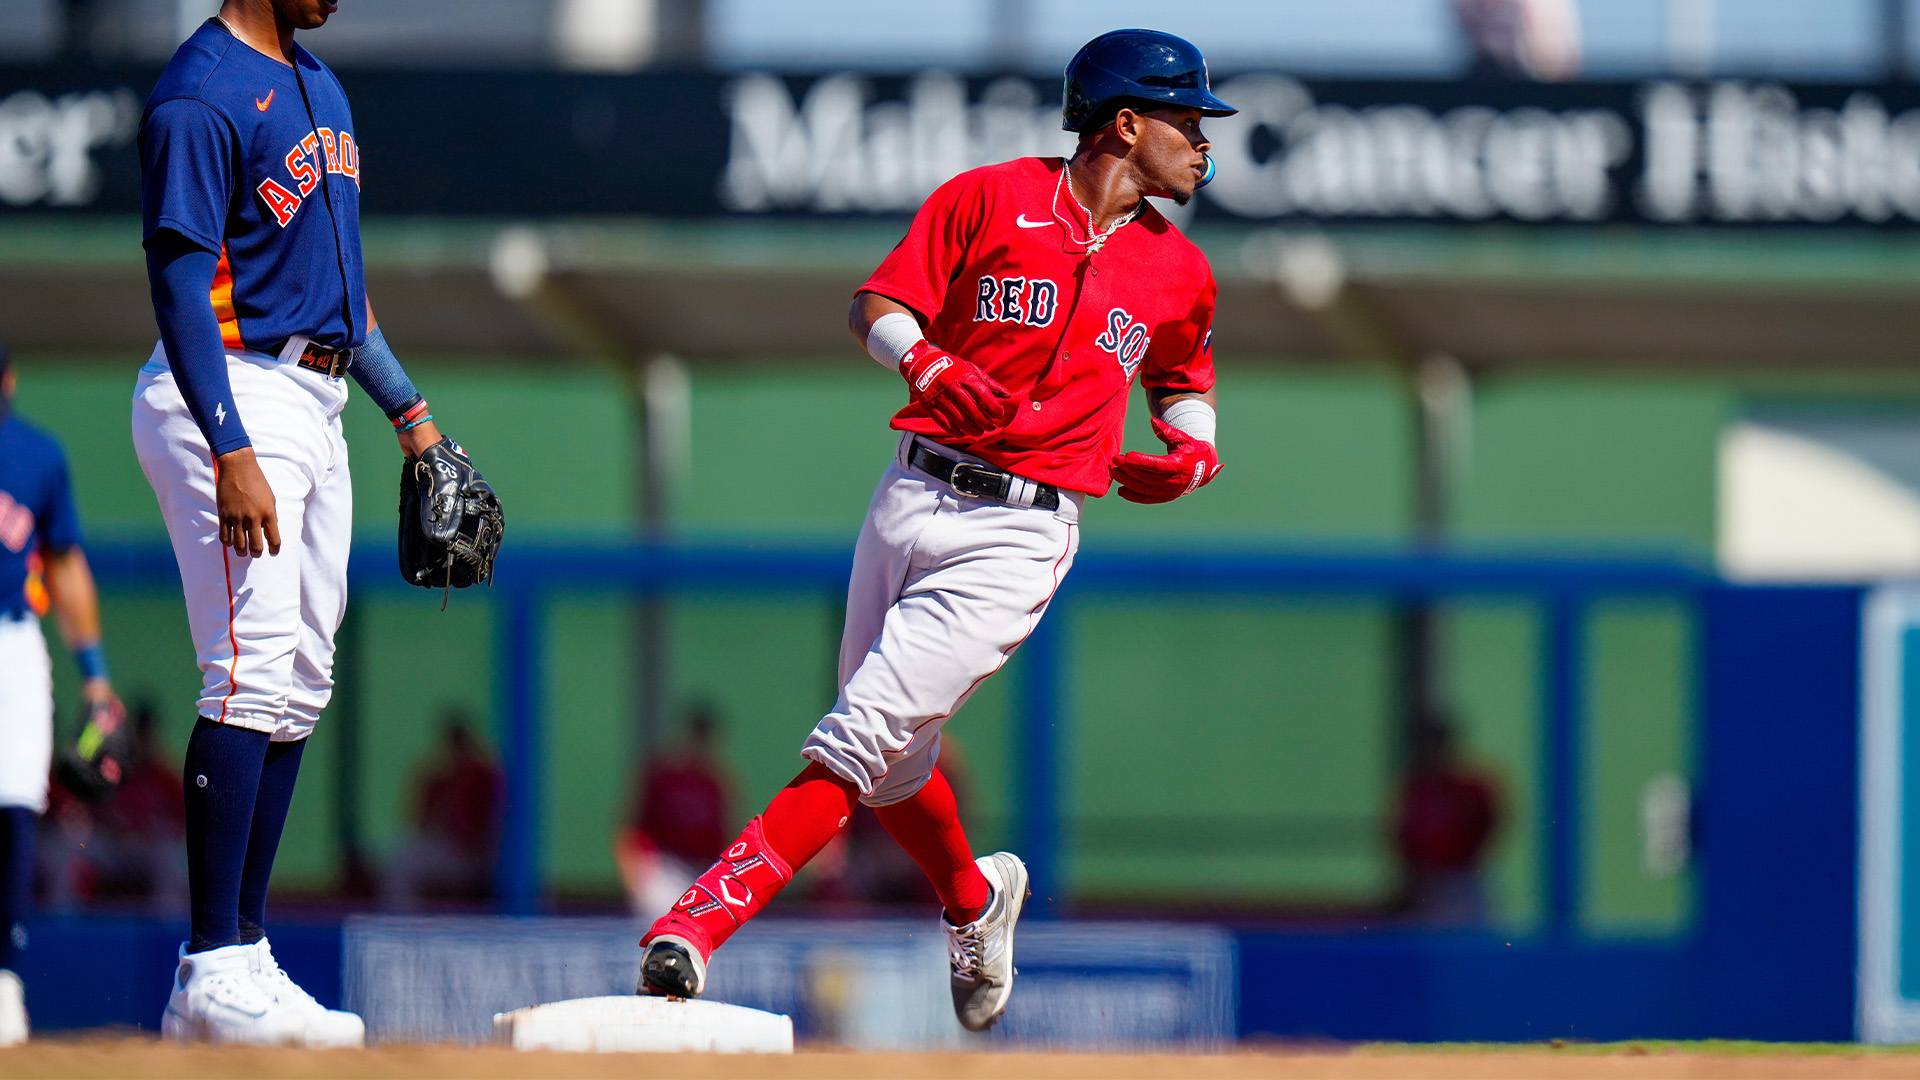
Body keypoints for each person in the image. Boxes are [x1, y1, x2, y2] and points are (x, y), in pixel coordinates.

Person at [635, 28, 1230, 1033]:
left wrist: (1194, 448)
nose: (1204, 142)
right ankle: (972, 897)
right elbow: (878, 304)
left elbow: (1184, 375)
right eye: (1187, 120)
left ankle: (694, 926)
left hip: (1021, 533)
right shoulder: (990, 197)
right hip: (910, 493)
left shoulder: (1179, 270)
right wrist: (924, 364)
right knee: (896, 767)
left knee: (858, 738)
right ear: (1124, 125)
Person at [133, 0, 490, 1046]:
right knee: (246, 666)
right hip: (232, 390)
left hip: (319, 394)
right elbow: (178, 287)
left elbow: (347, 292)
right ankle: (211, 961)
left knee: (299, 675)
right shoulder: (198, 94)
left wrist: (414, 421)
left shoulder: (320, 84)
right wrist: (230, 444)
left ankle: (240, 955)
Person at [0, 344, 125, 1047]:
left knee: (14, 808)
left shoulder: (36, 457)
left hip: (12, 642)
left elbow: (66, 565)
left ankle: (4, 982)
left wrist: (97, 676)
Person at [615, 705, 734, 920]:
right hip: (663, 869)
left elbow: (724, 835)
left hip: (702, 871)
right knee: (658, 938)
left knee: (699, 941)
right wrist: (634, 880)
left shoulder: (714, 782)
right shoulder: (664, 777)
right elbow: (631, 830)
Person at [382, 715, 503, 909]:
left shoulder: (485, 776)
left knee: (403, 866)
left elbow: (485, 831)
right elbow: (420, 823)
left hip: (475, 856)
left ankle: (405, 923)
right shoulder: (440, 778)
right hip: (447, 850)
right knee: (399, 859)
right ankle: (405, 923)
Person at [1394, 718, 1502, 925]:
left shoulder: (1472, 789)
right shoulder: (1416, 790)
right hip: (1426, 882)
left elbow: (1489, 827)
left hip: (1465, 878)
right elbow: (1401, 835)